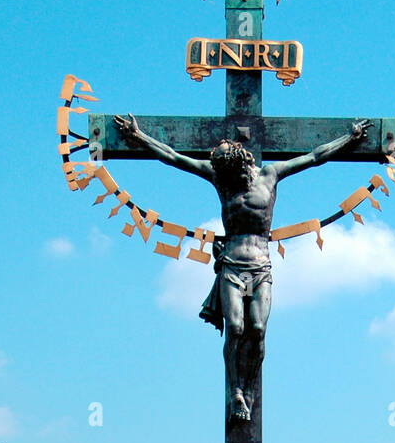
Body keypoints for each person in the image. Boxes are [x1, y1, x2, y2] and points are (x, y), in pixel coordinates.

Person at [113, 113, 370, 422]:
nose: (221, 172)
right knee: (235, 328)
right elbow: (173, 157)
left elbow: (314, 157)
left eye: (225, 166)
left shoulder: (270, 174)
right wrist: (139, 138)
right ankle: (235, 391)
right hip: (233, 266)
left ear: (241, 162)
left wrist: (351, 139)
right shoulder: (221, 178)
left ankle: (248, 389)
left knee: (258, 329)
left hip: (260, 265)